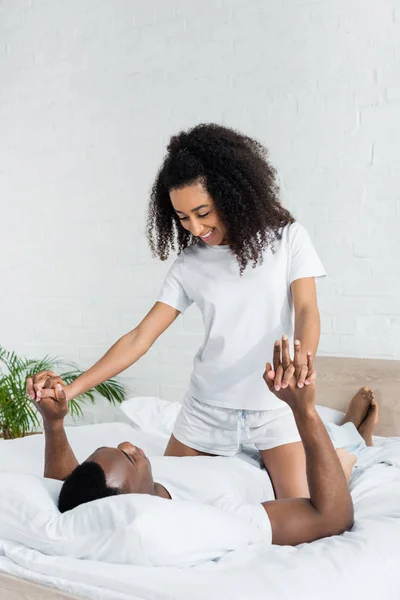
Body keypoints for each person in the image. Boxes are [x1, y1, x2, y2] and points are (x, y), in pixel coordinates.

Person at [28, 123, 327, 500]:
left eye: (203, 212)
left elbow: (306, 307)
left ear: (231, 194)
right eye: (183, 217)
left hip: (273, 405)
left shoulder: (287, 240)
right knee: (151, 499)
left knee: (308, 509)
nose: (196, 227)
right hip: (205, 411)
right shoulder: (190, 263)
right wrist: (71, 390)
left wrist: (301, 358)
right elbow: (141, 336)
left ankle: (349, 450)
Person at [31, 340, 380, 547]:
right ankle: (355, 433)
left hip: (231, 446)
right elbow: (332, 518)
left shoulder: (108, 493)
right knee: (340, 453)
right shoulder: (209, 517)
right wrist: (303, 410)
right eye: (130, 457)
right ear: (130, 503)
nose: (130, 444)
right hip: (268, 477)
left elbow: (70, 487)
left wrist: (54, 422)